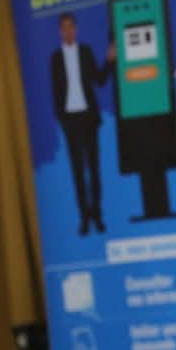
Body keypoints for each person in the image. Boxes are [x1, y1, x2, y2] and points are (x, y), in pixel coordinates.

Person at [49, 12, 115, 235]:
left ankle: (97, 214)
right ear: (60, 31)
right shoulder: (55, 58)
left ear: (76, 29)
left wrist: (109, 60)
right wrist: (61, 118)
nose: (68, 31)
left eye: (71, 26)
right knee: (77, 171)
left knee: (94, 169)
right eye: (64, 27)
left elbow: (100, 80)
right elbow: (55, 91)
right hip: (70, 120)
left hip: (88, 117)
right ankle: (84, 217)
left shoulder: (85, 52)